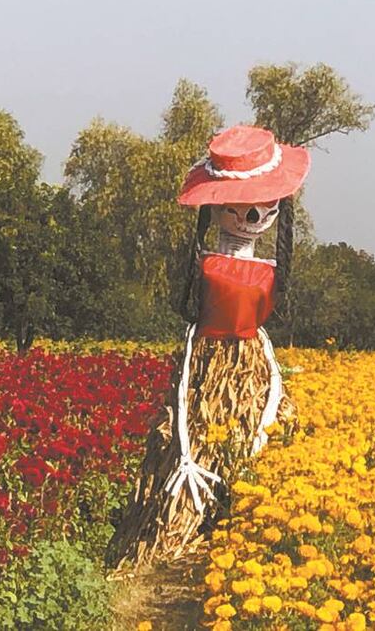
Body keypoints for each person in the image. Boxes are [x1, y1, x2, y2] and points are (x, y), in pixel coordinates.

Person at [106, 124, 310, 569]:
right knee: (200, 435)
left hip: (235, 362)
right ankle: (191, 523)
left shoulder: (230, 268)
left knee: (250, 428)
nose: (255, 217)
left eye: (263, 206)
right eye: (243, 208)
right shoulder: (227, 270)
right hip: (215, 360)